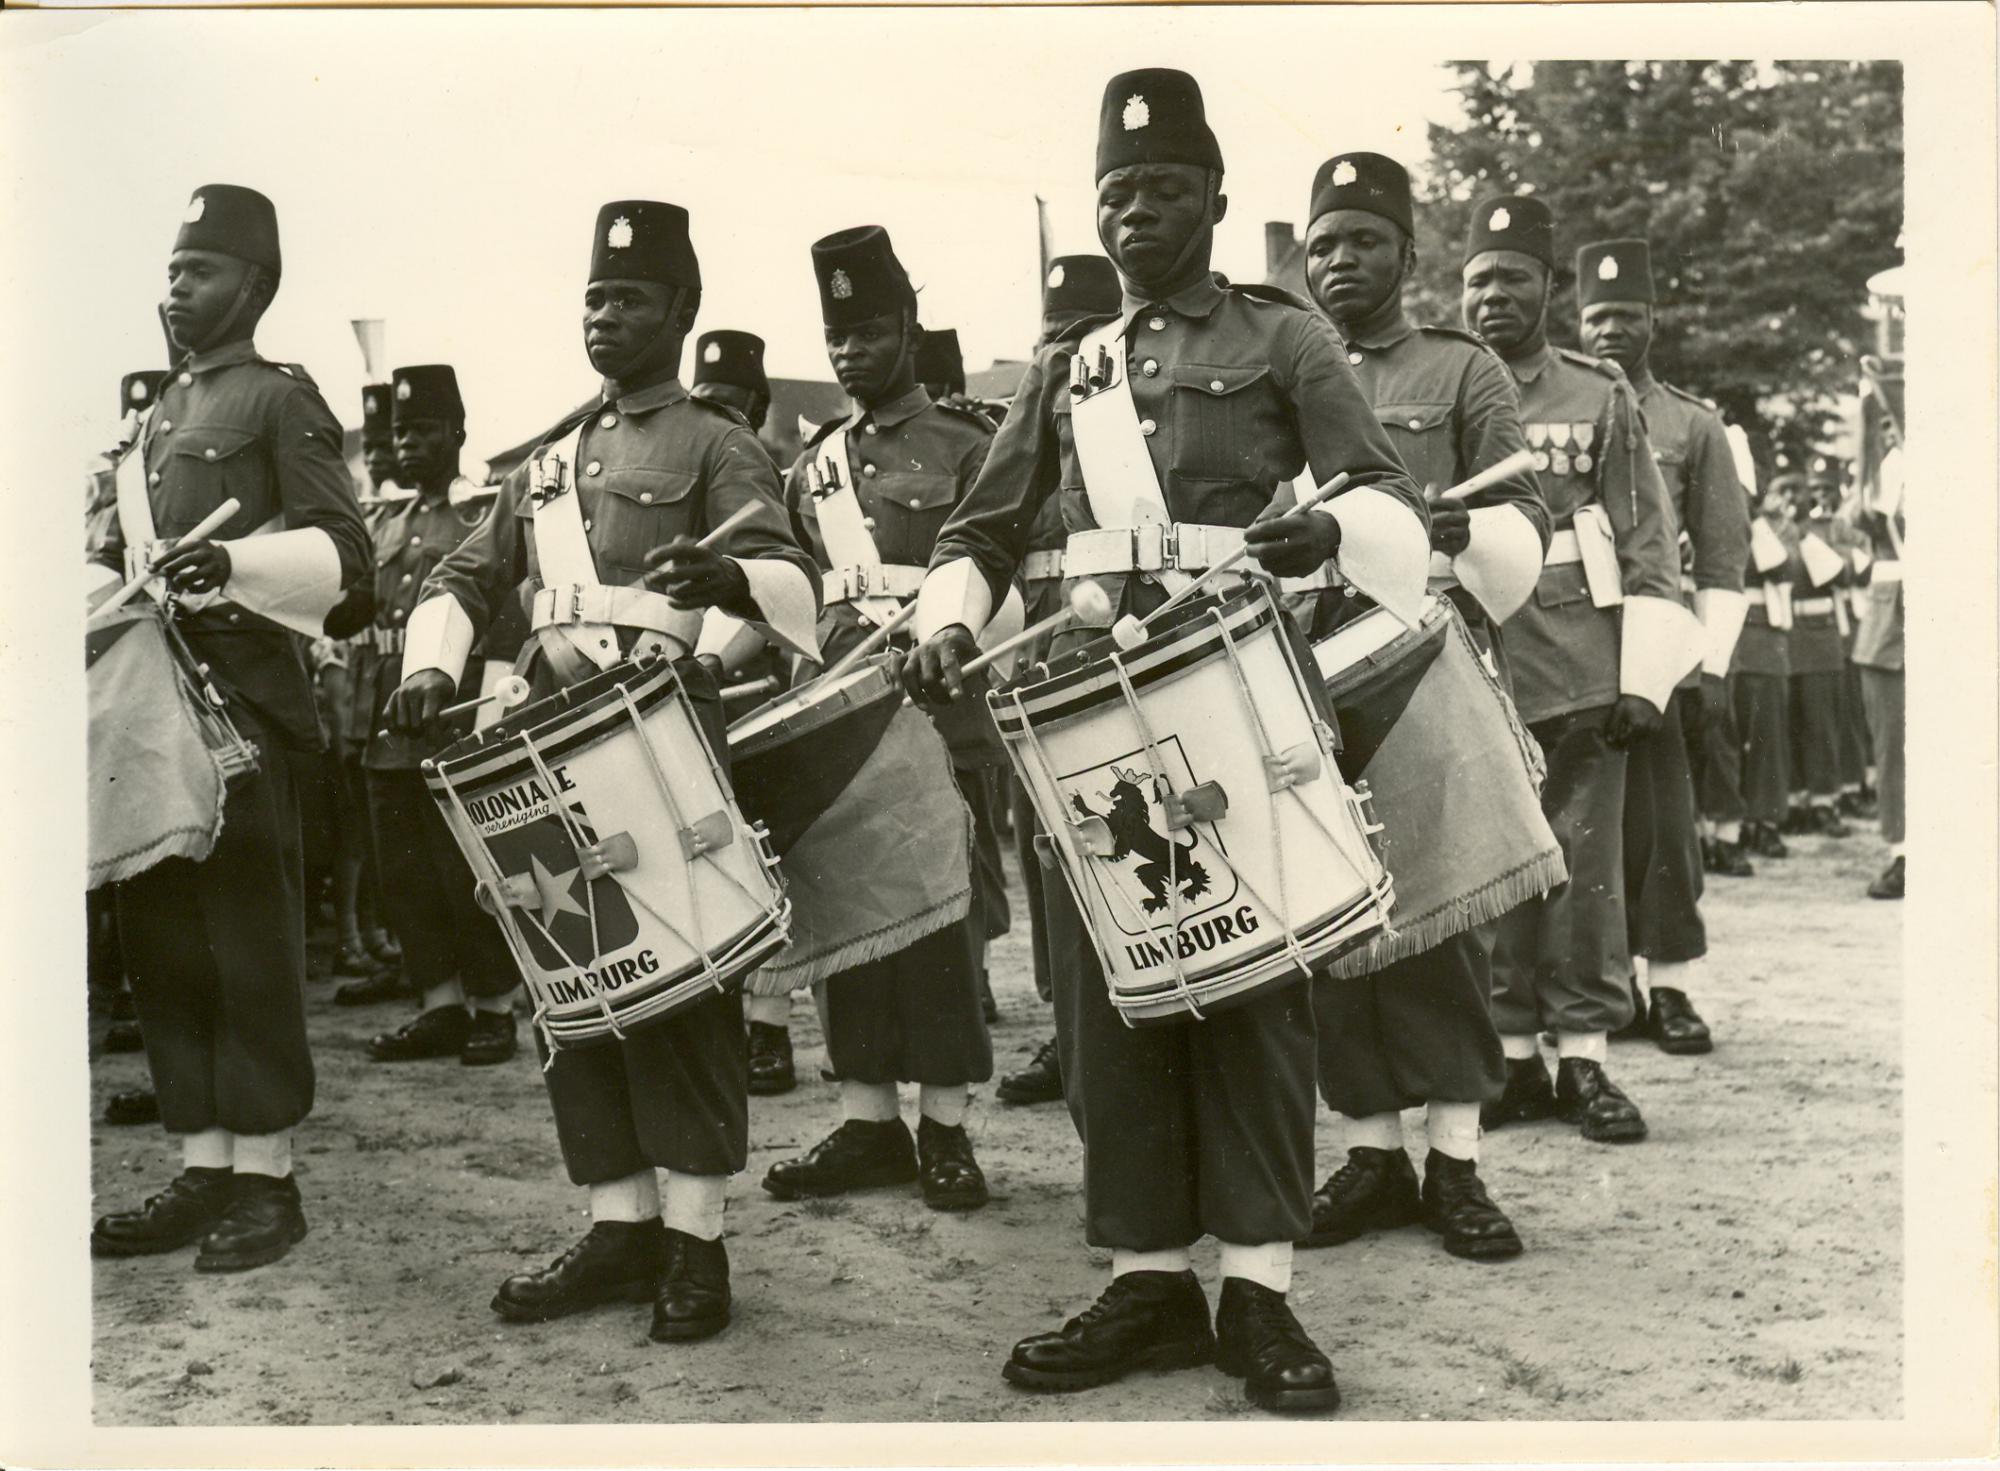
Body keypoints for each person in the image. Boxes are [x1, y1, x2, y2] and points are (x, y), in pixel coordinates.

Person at [907, 69, 1429, 1413]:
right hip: (1086, 705)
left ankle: (1257, 1284)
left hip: (1233, 684)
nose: (1137, 211)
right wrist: (951, 615)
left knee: (1252, 981)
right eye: (1116, 193)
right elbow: (980, 522)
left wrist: (1328, 528)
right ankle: (1147, 1272)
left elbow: (1382, 493)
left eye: (1163, 190)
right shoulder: (1070, 361)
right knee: (1105, 992)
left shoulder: (1285, 337)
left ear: (1213, 200)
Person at [388, 199, 819, 1343]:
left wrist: (727, 594)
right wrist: (431, 665)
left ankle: (696, 1240)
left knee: (680, 993)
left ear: (679, 313)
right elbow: (466, 579)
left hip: (663, 738)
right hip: (546, 740)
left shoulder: (720, 444)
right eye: (592, 298)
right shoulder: (541, 467)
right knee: (572, 987)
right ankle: (618, 1223)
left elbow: (784, 577)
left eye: (628, 299)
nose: (604, 317)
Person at [89, 184, 371, 1272]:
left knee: (246, 945)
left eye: (196, 271)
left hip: (245, 711)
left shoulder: (276, 403)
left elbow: (353, 564)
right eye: (169, 270)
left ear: (252, 285)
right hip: (151, 716)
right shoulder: (156, 417)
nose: (174, 289)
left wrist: (239, 563)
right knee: (168, 942)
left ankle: (268, 1179)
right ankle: (205, 1163)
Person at [1295, 151, 1546, 1260]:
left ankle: (1454, 1159)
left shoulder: (1460, 371)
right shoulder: (1282, 366)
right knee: (1335, 912)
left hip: (1423, 652)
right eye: (1321, 244)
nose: (1338, 262)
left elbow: (1519, 510)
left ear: (1405, 254)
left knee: (1438, 907)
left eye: (1360, 241)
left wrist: (1470, 535)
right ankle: (1368, 1151)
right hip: (1302, 661)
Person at [760, 225, 997, 1215]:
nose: (850, 352)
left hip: (939, 704)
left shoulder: (969, 443)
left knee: (939, 917)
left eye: (866, 331)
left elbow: (1003, 566)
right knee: (846, 909)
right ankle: (867, 1119)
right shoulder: (809, 465)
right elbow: (790, 590)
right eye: (835, 336)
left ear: (906, 328)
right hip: (843, 713)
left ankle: (943, 1127)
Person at [1464, 197, 1688, 1146]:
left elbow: (1648, 542)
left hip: (1584, 667)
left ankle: (1587, 1059)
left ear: (1552, 289)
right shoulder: (1446, 388)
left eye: (1514, 277)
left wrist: (1645, 677)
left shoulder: (1600, 396)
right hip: (1471, 664)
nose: (1492, 296)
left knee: (1585, 869)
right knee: (1494, 868)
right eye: (1478, 278)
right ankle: (1514, 1060)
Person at [1574, 237, 1750, 1057]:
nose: (1610, 329)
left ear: (1653, 320)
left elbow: (1720, 555)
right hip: (1577, 644)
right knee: (1588, 828)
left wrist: (1711, 664)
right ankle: (1610, 990)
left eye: (1626, 315)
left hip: (1666, 646)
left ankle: (1672, 983)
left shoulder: (1693, 424)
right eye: (1595, 315)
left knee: (1668, 824)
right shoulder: (1562, 408)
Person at [327, 365, 523, 1066]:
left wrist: (491, 710)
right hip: (389, 722)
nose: (407, 445)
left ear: (458, 433)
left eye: (423, 430)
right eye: (399, 432)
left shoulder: (483, 513)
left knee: (463, 869)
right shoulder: (389, 522)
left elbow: (504, 610)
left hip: (458, 713)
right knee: (402, 871)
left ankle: (494, 1009)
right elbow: (358, 608)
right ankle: (439, 1005)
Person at [995, 253, 1123, 1110]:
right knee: (1047, 849)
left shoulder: (1117, 413)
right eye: (1053, 335)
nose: (1064, 351)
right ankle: (1063, 1020)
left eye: (1080, 334)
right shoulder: (1025, 415)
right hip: (1036, 654)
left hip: (1115, 639)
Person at [688, 328, 804, 1094]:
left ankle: (771, 1030)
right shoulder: (680, 464)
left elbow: (779, 592)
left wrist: (714, 658)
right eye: (709, 402)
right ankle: (718, 1015)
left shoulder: (773, 478)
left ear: (757, 411)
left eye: (734, 405)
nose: (720, 416)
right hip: (676, 687)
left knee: (765, 859)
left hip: (748, 683)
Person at [1733, 474, 1804, 858]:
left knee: (1768, 736)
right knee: (1729, 737)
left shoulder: (1779, 529)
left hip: (1763, 639)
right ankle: (1733, 822)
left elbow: (1783, 568)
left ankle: (1767, 821)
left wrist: (1753, 523)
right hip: (1726, 639)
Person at [1850, 414, 1905, 900]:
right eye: (1884, 423)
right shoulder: (1886, 469)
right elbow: (1856, 520)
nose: (1891, 433)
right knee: (1893, 747)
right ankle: (1903, 852)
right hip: (1892, 621)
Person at [1785, 468, 1856, 838]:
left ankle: (1825, 801)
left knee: (1821, 723)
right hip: (1785, 634)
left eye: (1801, 493)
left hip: (1819, 635)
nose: (1795, 500)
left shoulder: (1824, 533)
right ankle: (1796, 801)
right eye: (1788, 491)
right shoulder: (1772, 532)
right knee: (1790, 723)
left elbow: (1842, 575)